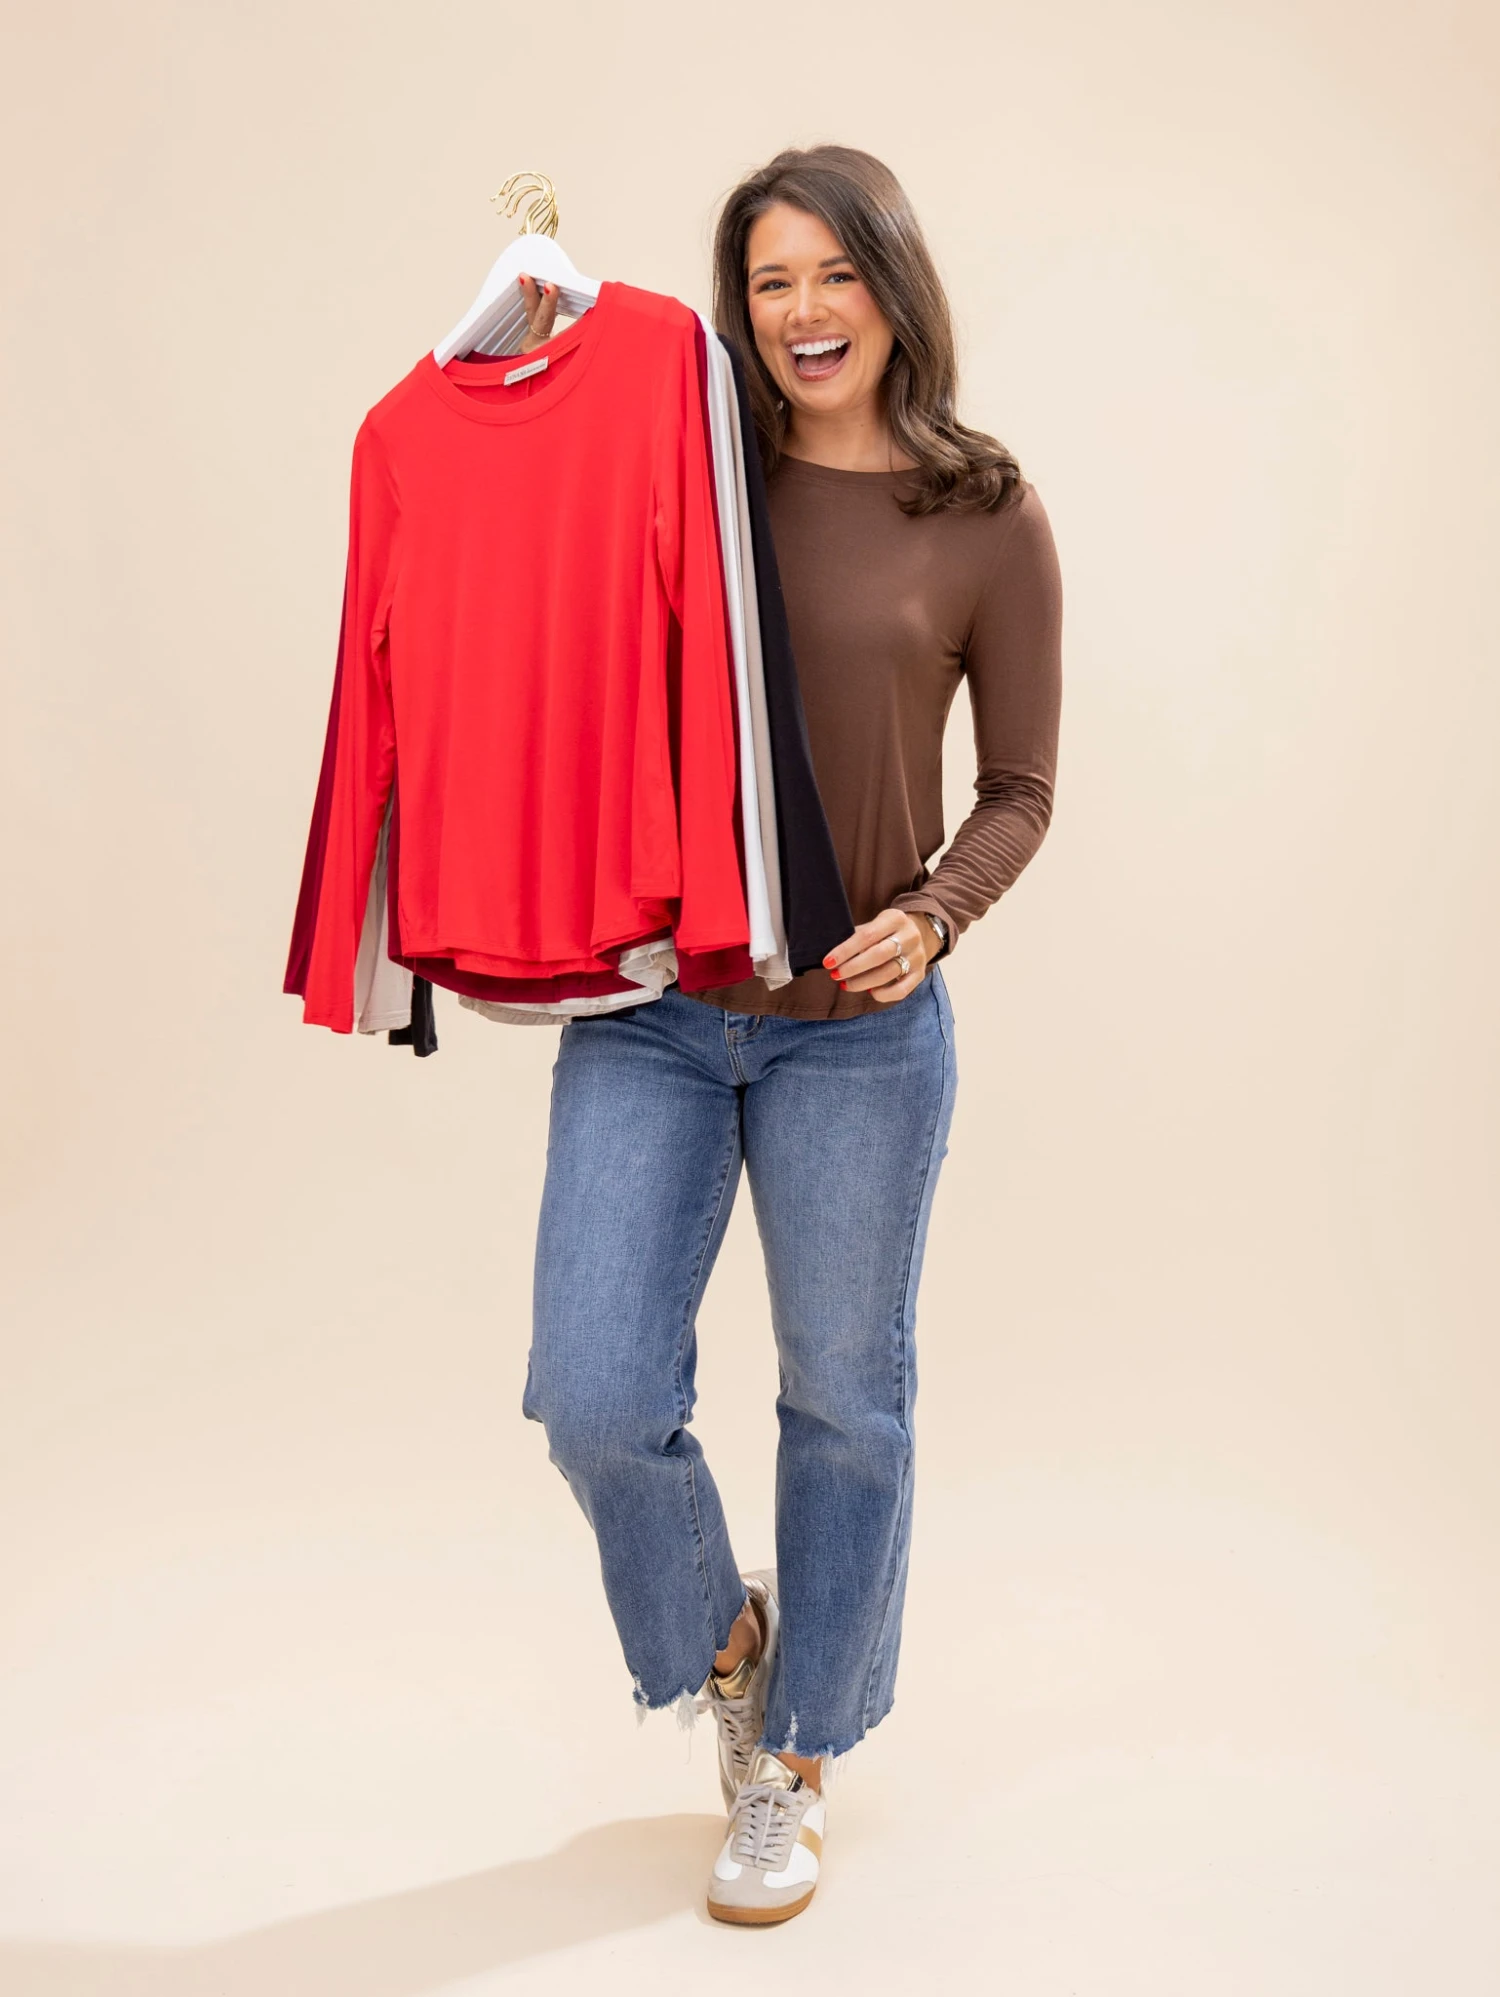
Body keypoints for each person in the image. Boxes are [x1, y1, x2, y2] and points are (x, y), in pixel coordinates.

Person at [515, 144, 1063, 1926]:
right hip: (657, 1010)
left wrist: (939, 909)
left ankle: (794, 1762)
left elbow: (1020, 786)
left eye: (835, 273)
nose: (805, 310)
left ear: (894, 289)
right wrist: (530, 351)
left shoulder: (986, 513)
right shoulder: (693, 478)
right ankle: (731, 1646)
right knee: (595, 1394)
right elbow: (551, 593)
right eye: (770, 281)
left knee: (846, 1400)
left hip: (859, 1035)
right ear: (737, 311)